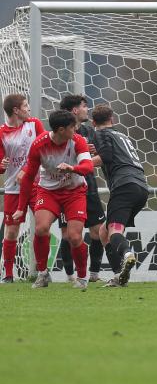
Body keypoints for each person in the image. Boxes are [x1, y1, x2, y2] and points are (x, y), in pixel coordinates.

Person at [13, 110, 95, 289]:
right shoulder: (39, 145)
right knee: (41, 229)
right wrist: (21, 206)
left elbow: (88, 167)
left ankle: (82, 277)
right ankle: (43, 274)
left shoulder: (78, 141)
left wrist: (72, 168)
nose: (76, 129)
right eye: (73, 127)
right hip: (48, 191)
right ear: (60, 130)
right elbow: (28, 178)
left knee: (74, 237)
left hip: (75, 192)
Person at [91, 105, 149, 287]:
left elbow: (106, 156)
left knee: (113, 231)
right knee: (103, 231)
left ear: (93, 123)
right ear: (112, 119)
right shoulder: (122, 136)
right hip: (141, 186)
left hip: (124, 186)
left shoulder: (100, 134)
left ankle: (127, 254)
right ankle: (118, 277)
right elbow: (111, 153)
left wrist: (79, 166)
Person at [59, 94, 107, 282]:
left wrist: (90, 154)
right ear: (74, 110)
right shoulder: (60, 132)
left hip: (89, 188)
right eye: (84, 106)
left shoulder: (90, 131)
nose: (88, 109)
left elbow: (102, 155)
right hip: (67, 188)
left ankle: (94, 274)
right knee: (69, 234)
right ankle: (70, 276)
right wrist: (81, 152)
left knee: (97, 231)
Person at [0, 94, 45, 283]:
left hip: (37, 185)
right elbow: (1, 164)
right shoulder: (1, 132)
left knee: (43, 227)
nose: (29, 109)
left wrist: (27, 169)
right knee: (11, 232)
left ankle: (42, 272)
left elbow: (45, 148)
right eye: (25, 106)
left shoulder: (34, 124)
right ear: (16, 110)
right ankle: (8, 274)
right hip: (13, 188)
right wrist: (1, 165)